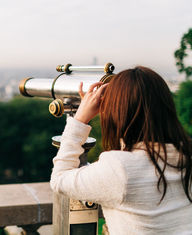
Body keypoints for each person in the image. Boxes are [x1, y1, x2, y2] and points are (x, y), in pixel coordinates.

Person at [50, 66, 192, 234]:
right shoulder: (186, 154)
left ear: (117, 113)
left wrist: (80, 119)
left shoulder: (120, 168)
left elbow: (59, 179)